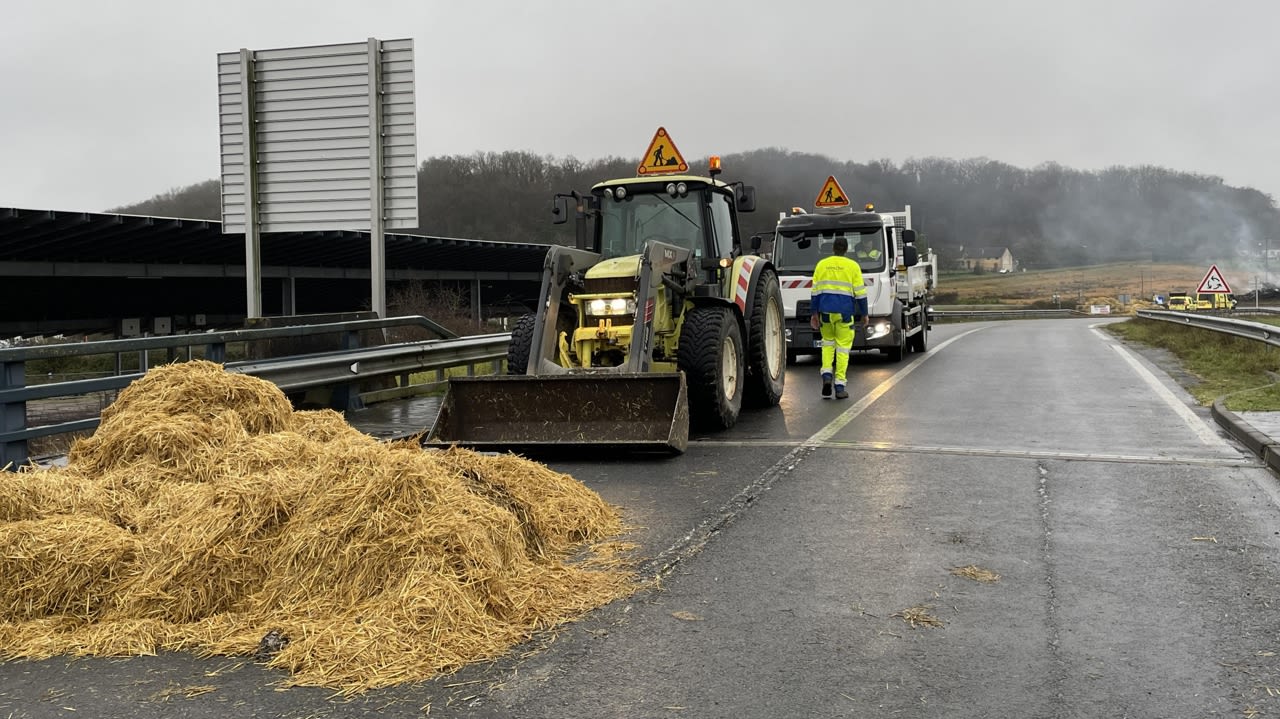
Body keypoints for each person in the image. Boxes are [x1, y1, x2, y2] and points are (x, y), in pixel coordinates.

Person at [809, 236, 868, 399]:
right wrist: (864, 314)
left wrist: (814, 313)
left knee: (827, 344)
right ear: (846, 249)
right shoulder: (853, 266)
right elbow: (860, 293)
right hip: (845, 314)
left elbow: (815, 292)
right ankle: (840, 387)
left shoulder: (822, 265)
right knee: (842, 349)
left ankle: (826, 376)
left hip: (825, 313)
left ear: (833, 248)